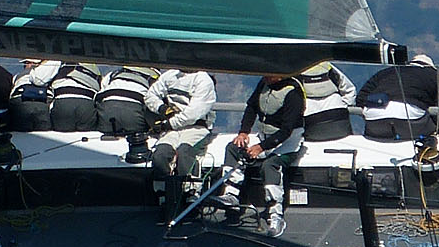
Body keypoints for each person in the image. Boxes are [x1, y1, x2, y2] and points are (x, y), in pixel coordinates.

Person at [228, 73, 304, 235]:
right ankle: (231, 195)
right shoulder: (264, 84)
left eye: (270, 75)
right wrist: (243, 132)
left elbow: (286, 130)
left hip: (288, 143)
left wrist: (261, 147)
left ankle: (276, 214)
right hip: (264, 136)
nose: (266, 77)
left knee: (270, 165)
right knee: (233, 148)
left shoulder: (293, 93)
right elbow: (252, 107)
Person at [145, 67, 217, 177]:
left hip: (197, 129)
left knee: (185, 152)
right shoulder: (170, 75)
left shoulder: (203, 80)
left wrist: (168, 124)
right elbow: (150, 96)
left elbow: (193, 114)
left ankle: (189, 186)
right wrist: (162, 108)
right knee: (160, 154)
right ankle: (162, 186)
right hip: (172, 130)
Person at [356, 50, 439, 143]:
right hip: (411, 118)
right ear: (430, 66)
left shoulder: (386, 72)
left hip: (374, 117)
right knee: (429, 131)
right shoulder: (434, 74)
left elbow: (361, 97)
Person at [295, 61, 357, 143]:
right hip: (340, 120)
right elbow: (349, 89)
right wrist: (345, 106)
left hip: (312, 124)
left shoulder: (295, 71)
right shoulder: (326, 66)